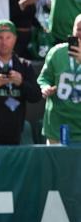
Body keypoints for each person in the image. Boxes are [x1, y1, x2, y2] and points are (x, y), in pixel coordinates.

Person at [38, 13, 81, 144]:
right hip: (57, 126)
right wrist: (45, 88)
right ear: (73, 29)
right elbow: (44, 78)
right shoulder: (57, 52)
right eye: (78, 29)